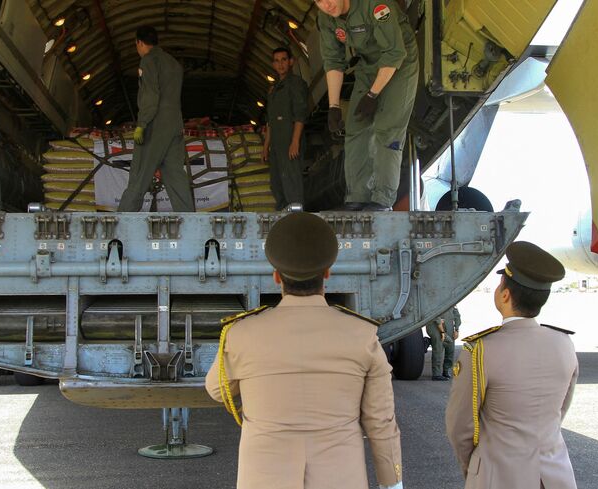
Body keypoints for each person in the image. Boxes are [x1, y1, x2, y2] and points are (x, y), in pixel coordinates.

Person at [205, 212, 403, 489]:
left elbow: (216, 390)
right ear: (327, 273)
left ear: (276, 276)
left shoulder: (241, 334)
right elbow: (381, 422)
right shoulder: (362, 336)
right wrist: (392, 483)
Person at [445, 241, 578, 489]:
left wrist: (475, 470)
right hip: (555, 478)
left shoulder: (481, 350)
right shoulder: (564, 344)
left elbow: (459, 427)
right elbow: (558, 413)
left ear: (505, 295)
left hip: (498, 478)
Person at [315, 0, 419, 211]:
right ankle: (358, 196)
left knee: (387, 129)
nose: (326, 4)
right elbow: (333, 61)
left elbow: (395, 52)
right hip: (368, 65)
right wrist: (333, 106)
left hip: (400, 64)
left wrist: (373, 94)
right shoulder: (326, 18)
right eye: (318, 1)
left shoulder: (376, 4)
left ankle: (382, 200)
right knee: (355, 128)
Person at [117, 26, 195, 212]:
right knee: (175, 174)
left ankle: (123, 220)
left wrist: (141, 124)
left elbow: (150, 97)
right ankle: (189, 219)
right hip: (175, 126)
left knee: (140, 173)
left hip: (155, 126)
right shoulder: (174, 64)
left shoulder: (148, 61)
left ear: (140, 42)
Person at [262, 47, 308, 210]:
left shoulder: (295, 84)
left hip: (289, 140)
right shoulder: (273, 90)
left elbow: (300, 115)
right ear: (273, 64)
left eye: (283, 60)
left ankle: (296, 212)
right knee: (276, 182)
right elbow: (270, 122)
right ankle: (282, 212)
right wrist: (266, 146)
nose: (280, 64)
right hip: (276, 144)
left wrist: (295, 142)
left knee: (291, 179)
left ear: (291, 62)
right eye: (276, 61)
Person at [427, 306, 460, 381]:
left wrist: (457, 329)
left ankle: (446, 370)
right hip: (435, 327)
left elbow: (457, 314)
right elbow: (434, 314)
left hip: (449, 327)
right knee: (438, 350)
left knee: (450, 350)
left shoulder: (451, 299)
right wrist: (442, 331)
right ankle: (436, 374)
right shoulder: (434, 299)